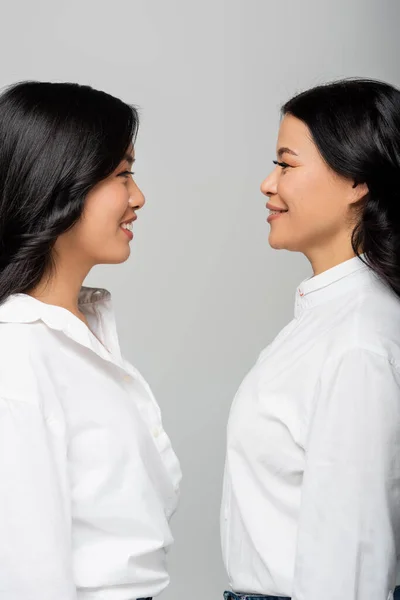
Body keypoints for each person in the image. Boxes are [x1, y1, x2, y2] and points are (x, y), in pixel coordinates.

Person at [0, 81, 181, 600]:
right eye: (122, 174)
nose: (138, 197)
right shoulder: (18, 353)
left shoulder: (80, 334)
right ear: (61, 181)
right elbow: (26, 576)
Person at [221, 78, 400, 600]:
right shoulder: (328, 319)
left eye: (286, 163)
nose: (267, 183)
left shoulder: (359, 340)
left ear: (356, 181)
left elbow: (353, 562)